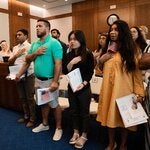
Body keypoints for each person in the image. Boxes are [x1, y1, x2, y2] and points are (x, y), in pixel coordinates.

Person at [96, 20, 145, 150]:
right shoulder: (108, 49)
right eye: (111, 29)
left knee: (124, 120)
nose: (112, 32)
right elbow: (99, 70)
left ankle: (123, 144)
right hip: (108, 89)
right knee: (109, 118)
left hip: (124, 90)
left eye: (116, 30)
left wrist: (139, 93)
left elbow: (136, 74)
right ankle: (111, 143)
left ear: (123, 32)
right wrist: (101, 60)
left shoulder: (131, 50)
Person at [23, 19, 63, 141]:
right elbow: (28, 58)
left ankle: (59, 128)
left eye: (40, 26)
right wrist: (36, 52)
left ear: (47, 28)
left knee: (54, 104)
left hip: (50, 80)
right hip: (38, 80)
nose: (37, 28)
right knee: (43, 103)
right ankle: (45, 124)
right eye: (36, 26)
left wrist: (55, 81)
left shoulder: (54, 43)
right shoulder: (35, 44)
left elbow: (58, 64)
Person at [62, 30, 94, 149]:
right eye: (70, 39)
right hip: (72, 87)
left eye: (75, 39)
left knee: (84, 113)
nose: (72, 41)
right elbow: (65, 71)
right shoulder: (69, 54)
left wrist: (84, 83)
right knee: (73, 111)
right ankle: (76, 132)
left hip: (84, 88)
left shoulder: (87, 54)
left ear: (81, 40)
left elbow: (90, 72)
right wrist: (71, 63)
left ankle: (84, 135)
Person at [8, 29, 36, 127]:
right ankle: (26, 116)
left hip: (28, 75)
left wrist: (20, 74)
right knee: (22, 98)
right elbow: (10, 62)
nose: (17, 36)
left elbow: (28, 62)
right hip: (17, 75)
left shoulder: (31, 46)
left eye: (20, 34)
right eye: (17, 35)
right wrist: (16, 55)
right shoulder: (15, 48)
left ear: (26, 36)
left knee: (30, 98)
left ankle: (33, 119)